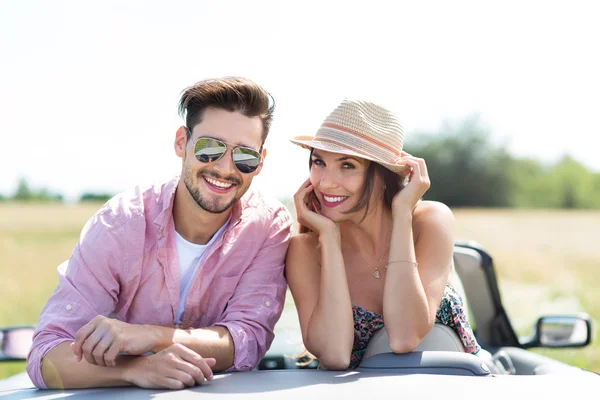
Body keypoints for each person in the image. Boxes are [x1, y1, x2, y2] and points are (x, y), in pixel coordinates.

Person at [26, 77, 293, 389]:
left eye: (244, 156)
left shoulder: (268, 226)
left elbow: (247, 339)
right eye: (210, 148)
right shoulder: (120, 223)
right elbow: (46, 355)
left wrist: (151, 336)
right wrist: (135, 370)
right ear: (182, 142)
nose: (224, 168)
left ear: (260, 163)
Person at [286, 99, 480, 370]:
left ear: (382, 175)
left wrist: (402, 212)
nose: (326, 182)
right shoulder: (304, 250)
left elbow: (404, 337)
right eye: (319, 162)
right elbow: (336, 356)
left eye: (347, 166)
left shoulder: (430, 221)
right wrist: (329, 238)